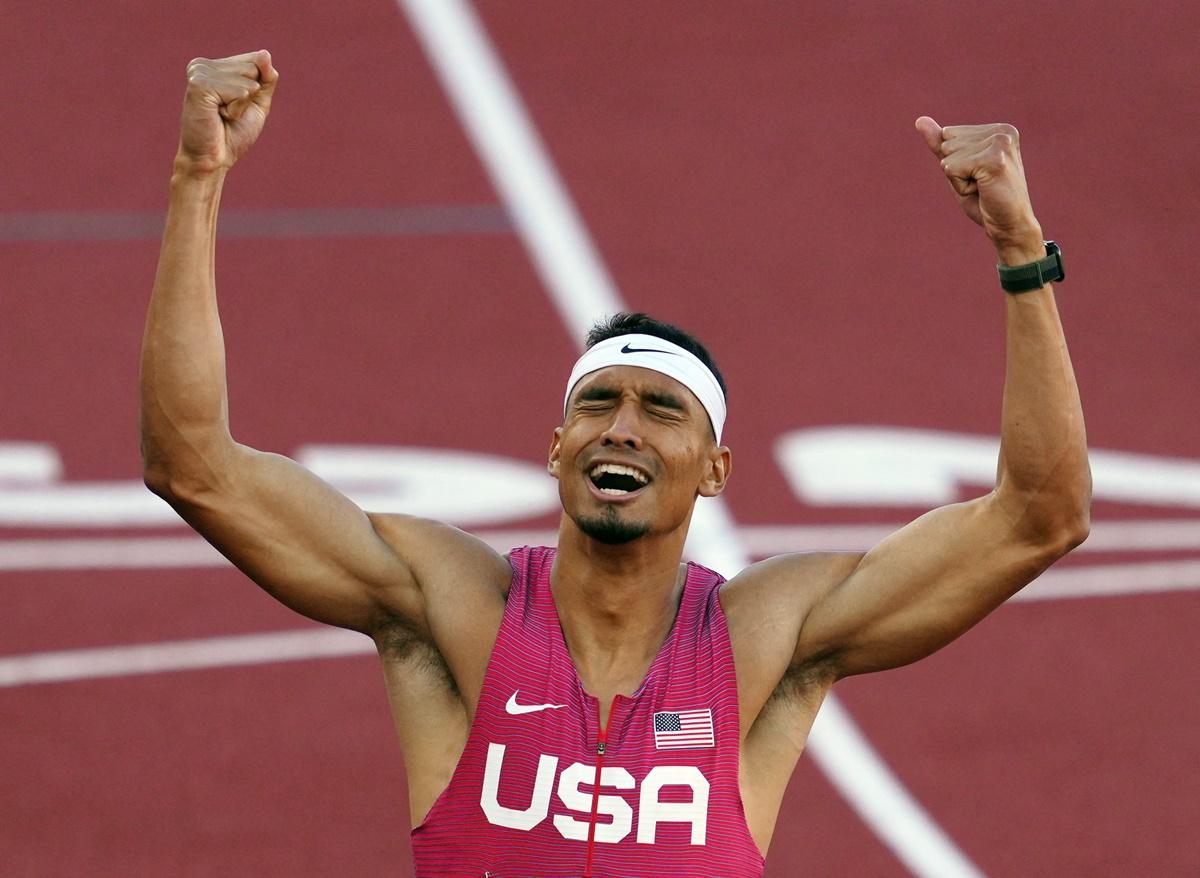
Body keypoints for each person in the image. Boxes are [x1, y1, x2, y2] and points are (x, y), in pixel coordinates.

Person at [141, 50, 1091, 877]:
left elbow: (1039, 517)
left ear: (713, 469)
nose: (621, 427)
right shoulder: (453, 607)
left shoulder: (767, 641)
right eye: (596, 403)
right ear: (556, 447)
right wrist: (198, 178)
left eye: (661, 410)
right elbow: (194, 466)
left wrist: (1018, 252)